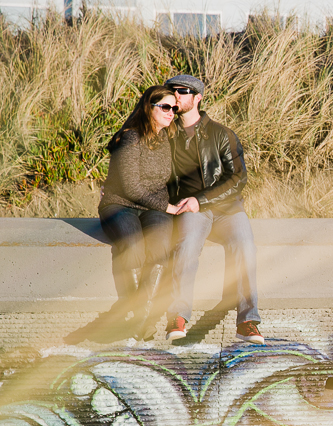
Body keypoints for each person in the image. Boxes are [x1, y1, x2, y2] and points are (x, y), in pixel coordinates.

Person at [163, 74, 264, 345]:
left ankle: (247, 321)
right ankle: (178, 316)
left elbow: (237, 178)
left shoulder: (221, 134)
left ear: (197, 98)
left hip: (226, 208)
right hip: (191, 210)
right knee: (186, 244)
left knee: (244, 244)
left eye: (182, 91)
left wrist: (201, 200)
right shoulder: (165, 135)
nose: (176, 96)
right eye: (172, 91)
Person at [98, 85, 183, 340]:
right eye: (165, 107)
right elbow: (131, 187)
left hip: (153, 208)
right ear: (149, 107)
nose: (171, 113)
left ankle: (141, 317)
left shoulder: (168, 137)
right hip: (120, 204)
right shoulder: (130, 137)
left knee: (158, 249)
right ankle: (137, 315)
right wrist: (167, 207)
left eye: (174, 108)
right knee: (133, 247)